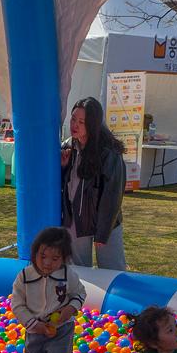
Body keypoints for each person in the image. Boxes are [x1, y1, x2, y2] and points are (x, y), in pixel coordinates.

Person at [12, 227, 86, 353]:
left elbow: (79, 293)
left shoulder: (67, 275)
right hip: (34, 327)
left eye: (55, 259)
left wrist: (70, 308)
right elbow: (17, 304)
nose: (47, 263)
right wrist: (33, 324)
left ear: (64, 259)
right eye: (42, 256)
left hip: (61, 327)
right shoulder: (25, 276)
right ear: (34, 254)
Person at [61, 98, 127, 270]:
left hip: (104, 223)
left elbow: (112, 195)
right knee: (78, 271)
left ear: (92, 124)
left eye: (81, 122)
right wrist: (62, 166)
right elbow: (65, 186)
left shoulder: (109, 152)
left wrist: (103, 232)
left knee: (112, 270)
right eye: (73, 119)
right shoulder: (68, 146)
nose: (75, 125)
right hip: (76, 222)